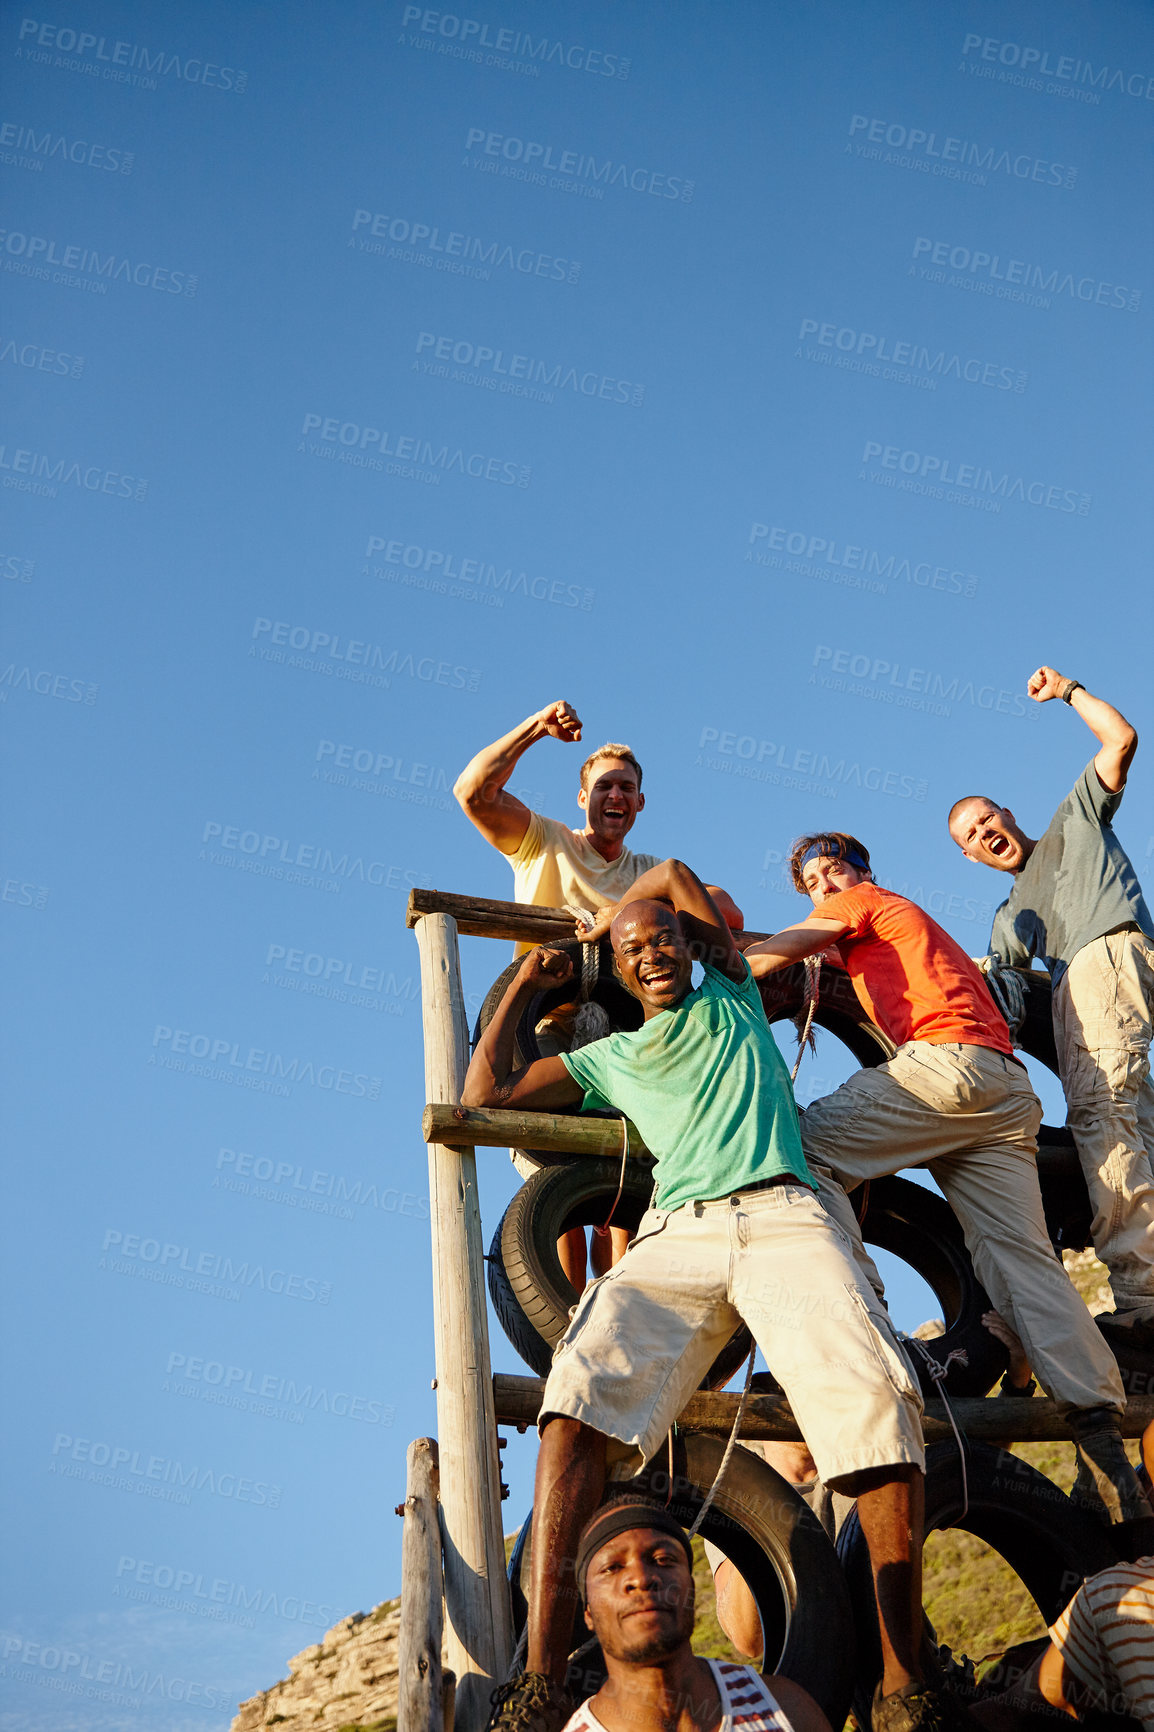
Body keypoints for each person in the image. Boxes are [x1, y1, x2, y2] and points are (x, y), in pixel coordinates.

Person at [464, 859, 947, 1732]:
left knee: (874, 1402)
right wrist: (528, 985)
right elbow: (484, 1095)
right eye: (632, 949)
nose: (651, 954)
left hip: (783, 1213)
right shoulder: (608, 1056)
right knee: (574, 1402)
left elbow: (676, 871)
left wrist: (609, 913)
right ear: (616, 969)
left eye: (663, 940)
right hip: (678, 1228)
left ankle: (906, 1684)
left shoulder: (730, 991)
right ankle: (537, 1682)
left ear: (693, 948)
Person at [742, 832, 1150, 1545]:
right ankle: (1106, 1436)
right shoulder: (902, 932)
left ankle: (861, 1322)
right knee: (1021, 1264)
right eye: (812, 876)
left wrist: (702, 971)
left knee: (797, 1154)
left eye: (835, 866)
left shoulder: (860, 904)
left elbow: (774, 954)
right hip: (1003, 1092)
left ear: (863, 872)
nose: (826, 879)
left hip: (948, 1067)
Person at [454, 701, 742, 1287]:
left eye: (627, 788)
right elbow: (473, 792)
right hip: (548, 1023)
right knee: (565, 1174)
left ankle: (622, 1295)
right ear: (582, 796)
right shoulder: (545, 842)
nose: (616, 795)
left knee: (627, 1175)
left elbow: (727, 910)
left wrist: (615, 913)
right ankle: (566, 1304)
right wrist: (537, 727)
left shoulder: (650, 868)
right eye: (604, 785)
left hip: (627, 1034)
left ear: (640, 803)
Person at [947, 667, 1154, 1349]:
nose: (985, 835)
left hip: (1104, 959)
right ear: (972, 858)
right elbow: (993, 987)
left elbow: (1120, 738)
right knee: (1136, 1118)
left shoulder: (1075, 819)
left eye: (986, 819)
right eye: (971, 838)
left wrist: (1068, 691)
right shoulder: (1011, 918)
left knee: (1102, 1114)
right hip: (1077, 986)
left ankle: (1144, 1296)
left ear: (1007, 812)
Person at [542, 1495, 831, 1732]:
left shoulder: (785, 1709)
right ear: (589, 1612)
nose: (642, 1578)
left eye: (663, 1559)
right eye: (613, 1568)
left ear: (691, 1591)